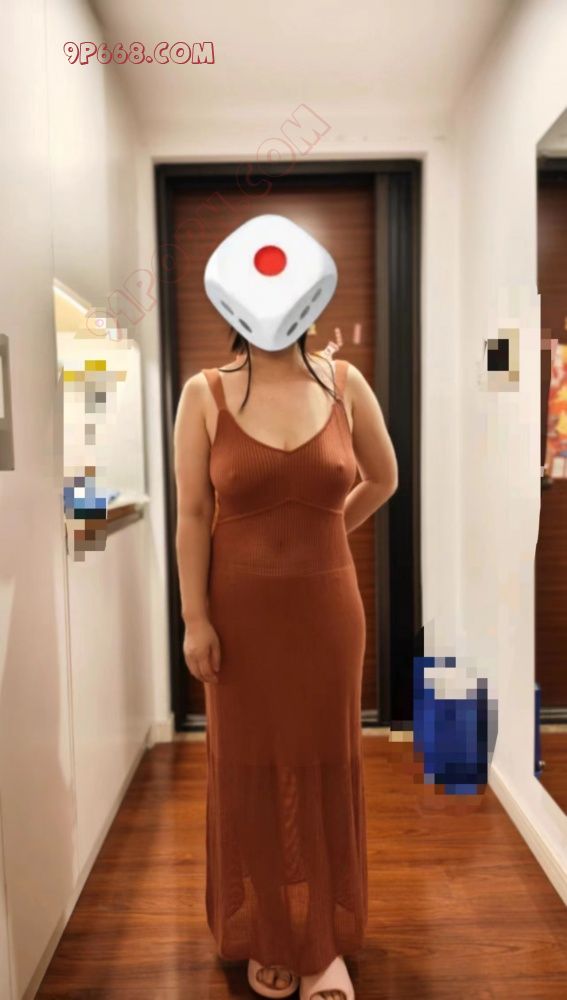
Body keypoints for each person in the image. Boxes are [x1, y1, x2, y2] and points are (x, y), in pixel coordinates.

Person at [173, 325, 398, 1000]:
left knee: (325, 765)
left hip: (327, 616)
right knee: (249, 769)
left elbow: (383, 478)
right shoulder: (205, 394)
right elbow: (192, 513)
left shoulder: (344, 384)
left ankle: (321, 945)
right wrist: (194, 618)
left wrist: (324, 531)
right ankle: (269, 932)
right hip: (238, 618)